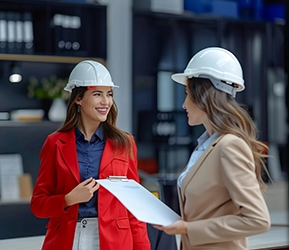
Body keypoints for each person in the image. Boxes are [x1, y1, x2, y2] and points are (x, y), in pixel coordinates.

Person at [153, 47, 271, 249]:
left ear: (203, 96)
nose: (183, 105)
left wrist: (188, 229)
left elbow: (258, 219)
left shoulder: (229, 146)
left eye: (187, 94)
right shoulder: (205, 146)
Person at [30, 60, 151, 250]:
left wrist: (143, 247)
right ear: (78, 98)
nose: (106, 101)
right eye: (97, 94)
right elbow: (38, 204)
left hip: (113, 241)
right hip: (68, 239)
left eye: (109, 94)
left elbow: (133, 206)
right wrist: (69, 199)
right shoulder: (55, 143)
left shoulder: (124, 143)